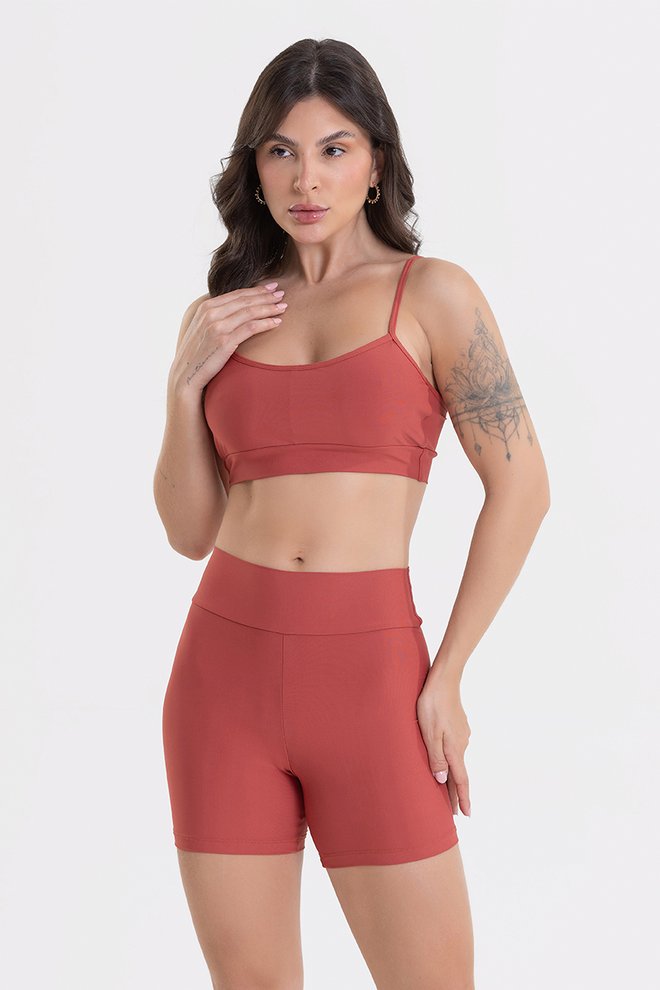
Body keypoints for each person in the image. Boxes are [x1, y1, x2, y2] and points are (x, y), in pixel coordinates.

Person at [153, 37, 550, 990]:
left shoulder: (434, 294)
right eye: (281, 151)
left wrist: (447, 675)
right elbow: (188, 532)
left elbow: (524, 489)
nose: (307, 178)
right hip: (222, 681)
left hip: (372, 681)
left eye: (334, 149)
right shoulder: (227, 313)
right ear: (254, 167)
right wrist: (183, 386)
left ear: (376, 164)